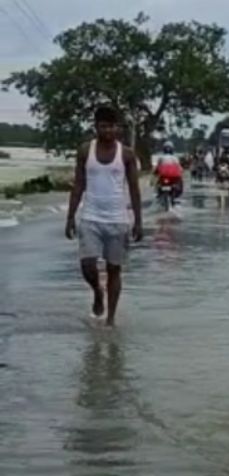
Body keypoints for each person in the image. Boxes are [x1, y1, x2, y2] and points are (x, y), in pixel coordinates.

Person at [65, 105, 143, 327]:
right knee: (88, 264)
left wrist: (138, 221)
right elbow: (78, 184)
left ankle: (110, 319)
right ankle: (97, 292)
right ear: (96, 127)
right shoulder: (84, 151)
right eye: (103, 126)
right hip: (90, 217)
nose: (108, 131)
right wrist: (70, 217)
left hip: (118, 220)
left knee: (114, 269)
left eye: (112, 126)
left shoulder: (126, 154)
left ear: (118, 127)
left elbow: (135, 189)